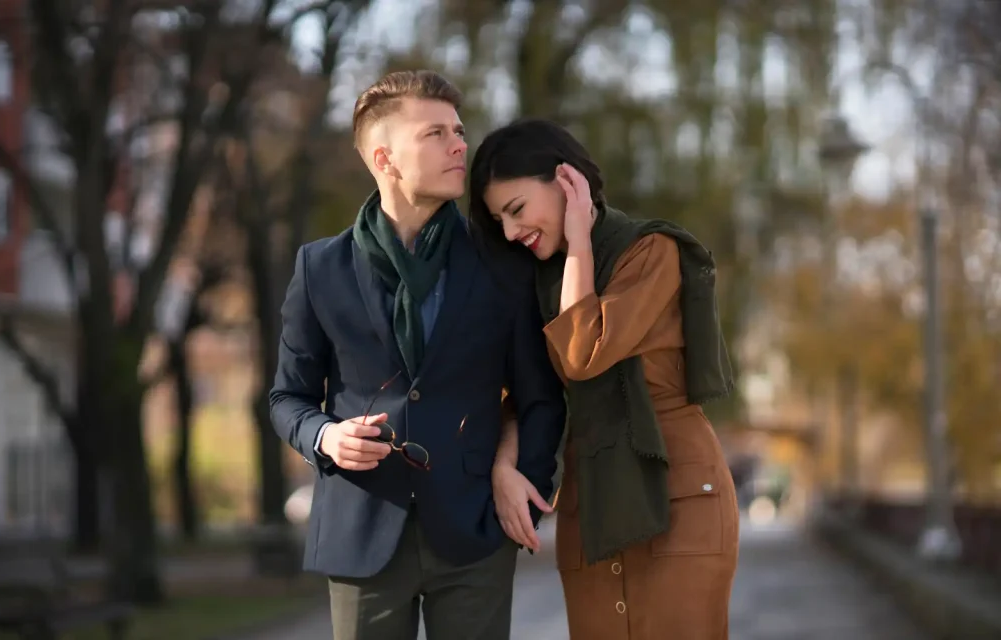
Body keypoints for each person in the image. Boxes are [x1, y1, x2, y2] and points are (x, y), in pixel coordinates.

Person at [269, 72, 567, 640]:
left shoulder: (503, 264)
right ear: (385, 158)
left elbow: (541, 396)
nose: (460, 144)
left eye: (459, 129)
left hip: (476, 532)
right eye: (435, 133)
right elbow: (288, 396)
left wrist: (525, 486)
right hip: (360, 530)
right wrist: (324, 437)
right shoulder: (319, 268)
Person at [469, 118, 741, 640]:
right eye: (498, 219)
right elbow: (525, 395)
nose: (509, 232)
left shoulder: (650, 252)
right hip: (591, 505)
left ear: (566, 182)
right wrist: (506, 462)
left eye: (517, 210)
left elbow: (582, 352)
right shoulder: (536, 283)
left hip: (678, 498)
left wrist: (578, 246)